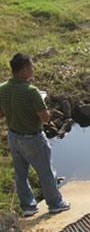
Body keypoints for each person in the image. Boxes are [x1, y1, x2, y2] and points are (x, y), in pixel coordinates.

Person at [0, 53, 70, 217]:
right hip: (32, 138)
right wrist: (41, 104)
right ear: (24, 70)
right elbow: (45, 118)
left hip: (13, 136)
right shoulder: (32, 92)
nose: (33, 68)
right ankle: (55, 204)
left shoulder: (2, 89)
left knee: (20, 174)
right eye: (31, 66)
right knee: (46, 172)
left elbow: (1, 114)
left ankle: (28, 207)